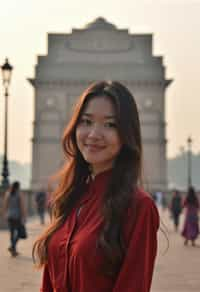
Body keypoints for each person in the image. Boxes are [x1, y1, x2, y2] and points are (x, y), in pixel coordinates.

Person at [33, 81, 160, 292]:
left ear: (127, 135)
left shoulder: (139, 207)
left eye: (110, 124)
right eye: (86, 121)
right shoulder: (69, 197)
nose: (93, 134)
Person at [3, 181, 26, 256]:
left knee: (12, 233)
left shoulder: (8, 193)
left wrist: (5, 214)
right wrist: (24, 216)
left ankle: (13, 250)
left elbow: (5, 205)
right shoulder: (19, 194)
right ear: (18, 187)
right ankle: (13, 247)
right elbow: (22, 206)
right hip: (17, 216)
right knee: (19, 233)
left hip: (9, 215)